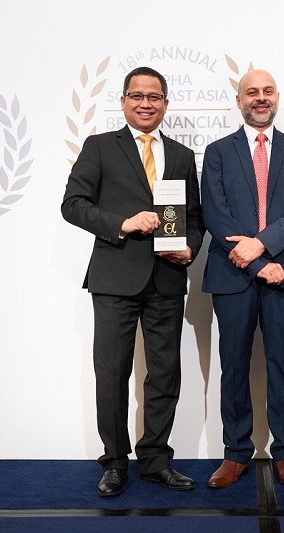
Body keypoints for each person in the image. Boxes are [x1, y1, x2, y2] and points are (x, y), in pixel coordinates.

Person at [61, 66, 204, 496]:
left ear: (165, 104)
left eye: (154, 96)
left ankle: (156, 460)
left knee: (164, 374)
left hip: (167, 278)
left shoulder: (181, 155)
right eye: (137, 96)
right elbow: (73, 204)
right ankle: (114, 462)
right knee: (112, 373)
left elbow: (194, 217)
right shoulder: (100, 147)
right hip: (114, 278)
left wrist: (190, 248)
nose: (145, 103)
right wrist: (121, 223)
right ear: (123, 101)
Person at [201, 69, 284, 488]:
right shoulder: (217, 152)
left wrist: (262, 245)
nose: (260, 98)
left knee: (283, 366)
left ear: (277, 97)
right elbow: (215, 214)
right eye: (252, 92)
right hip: (233, 275)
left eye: (267, 91)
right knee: (233, 366)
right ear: (240, 101)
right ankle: (236, 454)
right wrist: (255, 263)